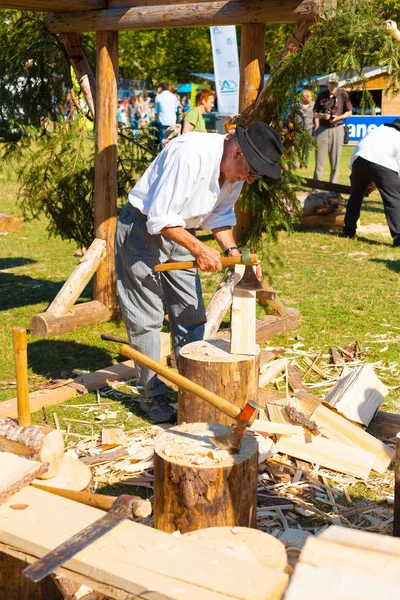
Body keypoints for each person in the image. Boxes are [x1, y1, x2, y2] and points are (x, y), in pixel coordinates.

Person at [115, 122, 283, 423]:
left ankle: (193, 386)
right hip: (142, 229)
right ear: (237, 153)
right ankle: (151, 396)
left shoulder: (237, 170)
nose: (250, 179)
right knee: (147, 318)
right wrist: (199, 249)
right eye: (251, 172)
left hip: (182, 230)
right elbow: (160, 219)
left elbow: (220, 215)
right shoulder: (190, 154)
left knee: (191, 313)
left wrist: (232, 252)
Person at [343, 120, 400, 246]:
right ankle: (398, 237)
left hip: (359, 160)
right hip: (383, 163)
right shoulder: (398, 137)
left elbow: (358, 149)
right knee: (394, 199)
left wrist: (360, 178)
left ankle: (348, 230)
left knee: (355, 198)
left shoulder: (377, 130)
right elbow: (395, 167)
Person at [313, 73, 352, 183]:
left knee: (335, 162)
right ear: (327, 83)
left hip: (337, 128)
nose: (332, 85)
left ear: (337, 84)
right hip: (322, 129)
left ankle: (333, 189)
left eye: (334, 83)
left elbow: (349, 112)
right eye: (331, 83)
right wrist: (322, 116)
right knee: (319, 163)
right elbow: (314, 113)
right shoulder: (321, 95)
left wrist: (338, 117)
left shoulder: (343, 94)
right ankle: (316, 188)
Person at [154, 81, 178, 149]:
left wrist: (156, 120)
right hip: (172, 121)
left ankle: (162, 154)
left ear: (161, 88)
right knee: (171, 140)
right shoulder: (173, 97)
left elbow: (156, 111)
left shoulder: (158, 97)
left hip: (162, 120)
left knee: (162, 140)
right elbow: (175, 110)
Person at [298, 90, 315, 169]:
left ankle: (304, 164)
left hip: (308, 129)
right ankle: (294, 164)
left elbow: (316, 116)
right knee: (296, 147)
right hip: (297, 129)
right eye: (309, 96)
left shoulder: (313, 105)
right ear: (304, 97)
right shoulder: (297, 104)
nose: (311, 98)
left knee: (306, 147)